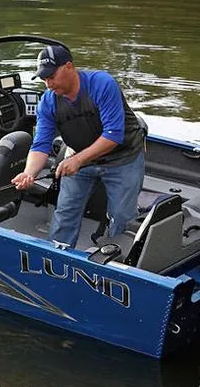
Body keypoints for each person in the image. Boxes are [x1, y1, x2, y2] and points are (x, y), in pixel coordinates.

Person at [12, 44, 146, 248]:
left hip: (123, 157)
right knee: (65, 211)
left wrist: (77, 160)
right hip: (80, 158)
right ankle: (56, 256)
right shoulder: (47, 102)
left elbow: (113, 135)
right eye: (43, 79)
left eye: (51, 76)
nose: (48, 84)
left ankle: (120, 261)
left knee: (122, 216)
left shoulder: (102, 84)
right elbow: (41, 144)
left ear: (69, 67)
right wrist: (28, 173)